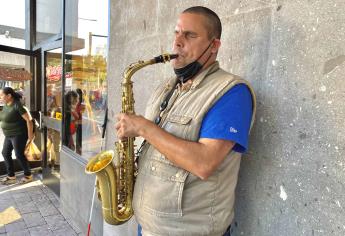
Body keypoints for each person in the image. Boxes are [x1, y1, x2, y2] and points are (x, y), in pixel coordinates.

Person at [115, 6, 256, 236]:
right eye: (176, 33)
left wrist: (143, 127)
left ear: (214, 46)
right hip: (148, 228)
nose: (177, 42)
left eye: (190, 35)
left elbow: (204, 163)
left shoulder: (232, 93)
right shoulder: (166, 89)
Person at [0, 87, 34, 184]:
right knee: (5, 153)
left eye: (2, 95)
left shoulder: (18, 105)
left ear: (9, 96)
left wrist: (30, 135)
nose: (0, 97)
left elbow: (29, 120)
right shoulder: (6, 105)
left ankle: (28, 175)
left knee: (19, 155)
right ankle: (11, 176)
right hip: (8, 135)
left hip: (18, 134)